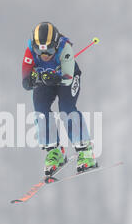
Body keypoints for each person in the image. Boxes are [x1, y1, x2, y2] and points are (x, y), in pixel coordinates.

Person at [21, 21, 97, 176]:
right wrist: (34, 78)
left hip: (66, 79)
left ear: (55, 45)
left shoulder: (65, 48)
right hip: (45, 81)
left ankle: (85, 151)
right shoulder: (29, 50)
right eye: (40, 51)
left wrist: (54, 77)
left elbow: (68, 78)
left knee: (66, 109)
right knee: (40, 110)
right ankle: (54, 151)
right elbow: (26, 82)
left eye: (49, 50)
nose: (45, 55)